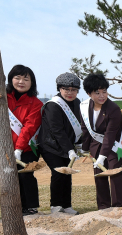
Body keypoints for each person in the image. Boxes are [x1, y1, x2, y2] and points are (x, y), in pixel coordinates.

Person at [0, 64, 42, 215]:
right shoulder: (2, 98)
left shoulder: (36, 103)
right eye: (17, 77)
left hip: (26, 147)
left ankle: (30, 206)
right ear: (10, 79)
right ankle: (15, 208)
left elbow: (29, 127)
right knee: (10, 177)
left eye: (26, 79)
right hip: (6, 146)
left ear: (32, 82)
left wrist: (18, 148)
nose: (21, 81)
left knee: (26, 175)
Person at [38, 72, 83, 214]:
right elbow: (57, 130)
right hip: (51, 146)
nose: (70, 93)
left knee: (67, 173)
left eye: (74, 90)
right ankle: (56, 205)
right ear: (59, 89)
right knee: (58, 173)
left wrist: (79, 145)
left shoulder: (77, 103)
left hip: (66, 146)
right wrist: (69, 149)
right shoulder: (53, 105)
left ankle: (67, 205)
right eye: (66, 89)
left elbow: (79, 125)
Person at [80, 73, 122, 210]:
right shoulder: (84, 107)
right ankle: (103, 207)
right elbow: (85, 129)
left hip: (114, 147)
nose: (102, 96)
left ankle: (119, 207)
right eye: (97, 93)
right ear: (89, 93)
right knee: (99, 176)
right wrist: (84, 148)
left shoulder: (113, 109)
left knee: (115, 174)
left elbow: (110, 134)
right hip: (95, 146)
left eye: (104, 92)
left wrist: (102, 155)